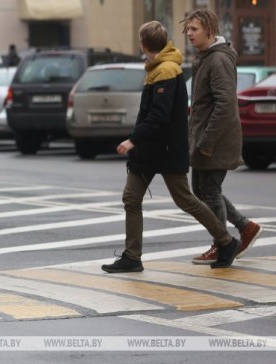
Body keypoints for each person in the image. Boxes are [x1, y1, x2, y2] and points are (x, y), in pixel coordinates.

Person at [101, 21, 240, 273]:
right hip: (152, 150)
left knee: (185, 199)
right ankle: (132, 256)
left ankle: (226, 241)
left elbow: (158, 116)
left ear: (143, 44)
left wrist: (133, 140)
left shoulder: (165, 70)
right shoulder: (158, 68)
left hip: (162, 149)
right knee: (131, 198)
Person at [182, 9, 262, 265]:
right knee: (201, 190)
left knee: (210, 192)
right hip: (206, 138)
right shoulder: (207, 57)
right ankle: (244, 227)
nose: (189, 34)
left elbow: (225, 104)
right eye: (188, 29)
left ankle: (222, 243)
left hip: (215, 140)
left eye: (194, 29)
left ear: (209, 30)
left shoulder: (218, 60)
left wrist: (207, 141)